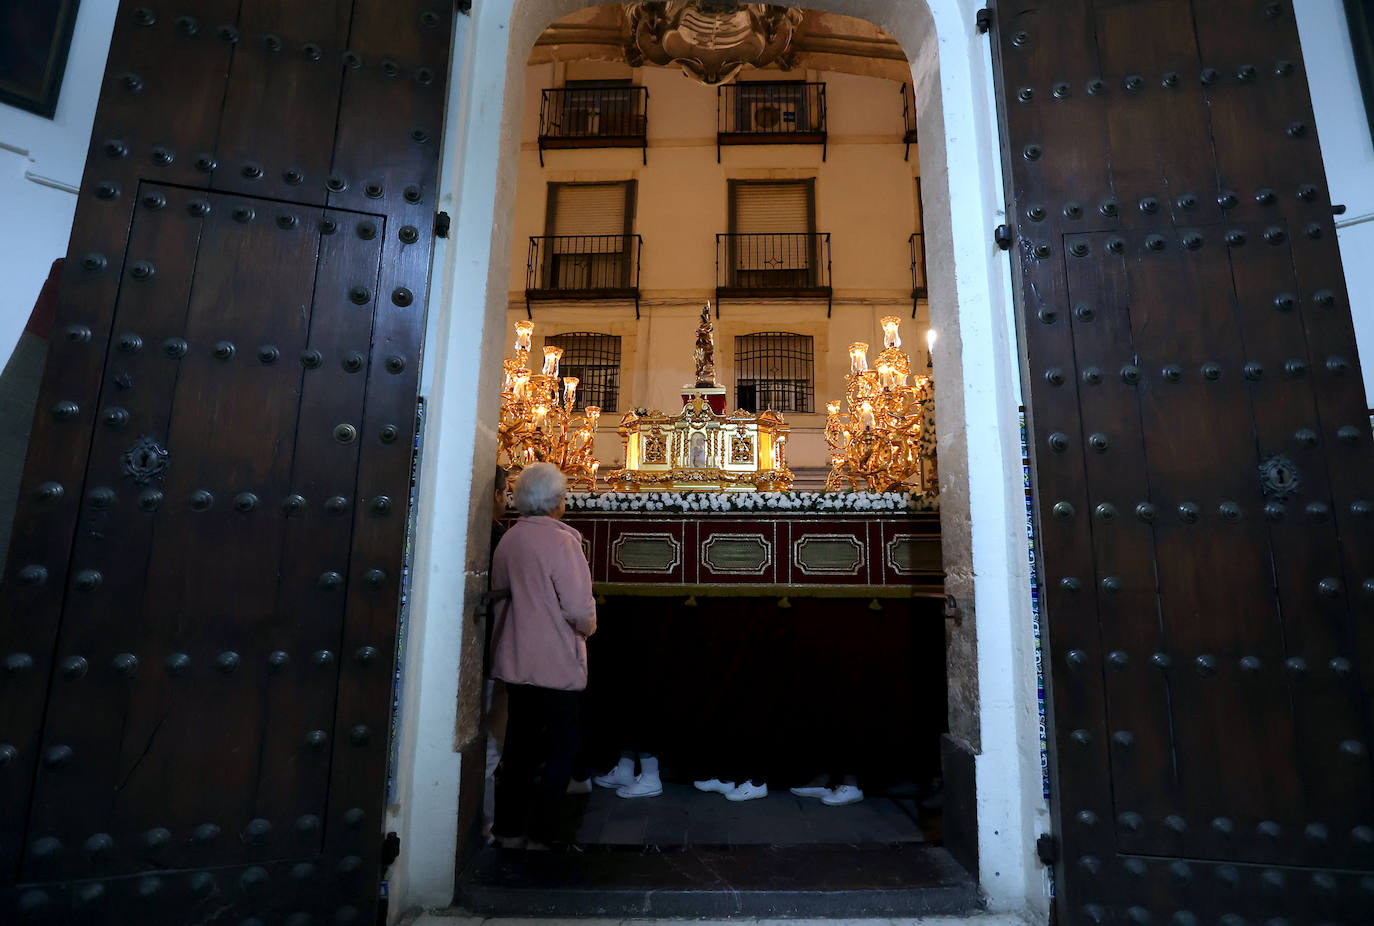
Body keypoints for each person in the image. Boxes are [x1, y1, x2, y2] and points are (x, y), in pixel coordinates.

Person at [489, 463, 597, 849]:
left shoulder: (510, 539)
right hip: (554, 660)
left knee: (518, 748)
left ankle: (507, 830)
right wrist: (587, 629)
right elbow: (579, 609)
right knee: (563, 746)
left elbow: (500, 595)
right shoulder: (563, 542)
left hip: (517, 658)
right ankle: (545, 833)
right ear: (555, 502)